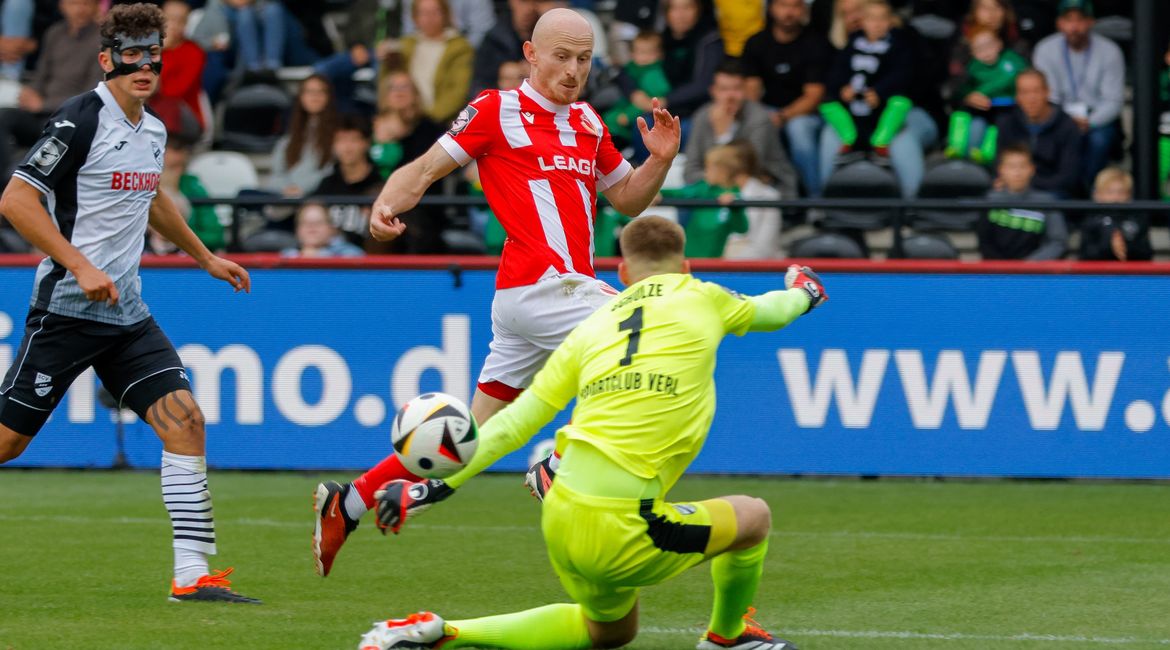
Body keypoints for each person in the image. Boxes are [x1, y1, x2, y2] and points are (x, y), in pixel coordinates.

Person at [312, 8, 682, 578]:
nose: (572, 69)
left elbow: (629, 200)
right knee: (649, 330)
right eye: (561, 56)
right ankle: (558, 460)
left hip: (543, 298)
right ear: (531, 54)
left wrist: (659, 160)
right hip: (542, 285)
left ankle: (349, 502)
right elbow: (427, 167)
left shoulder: (587, 121)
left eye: (583, 59)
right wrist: (384, 204)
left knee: (469, 435)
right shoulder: (497, 109)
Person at [356, 215, 827, 650]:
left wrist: (433, 487)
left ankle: (442, 632)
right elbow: (775, 310)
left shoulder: (593, 327)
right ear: (685, 266)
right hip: (623, 520)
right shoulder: (702, 295)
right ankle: (727, 637)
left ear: (621, 272)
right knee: (754, 518)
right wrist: (804, 291)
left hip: (561, 514)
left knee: (611, 631)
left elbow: (513, 424)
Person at [0, 2, 258, 604]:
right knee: (8, 443)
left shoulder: (154, 128)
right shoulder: (78, 119)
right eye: (132, 54)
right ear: (107, 60)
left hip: (127, 316)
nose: (144, 66)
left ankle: (192, 577)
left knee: (185, 421)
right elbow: (15, 201)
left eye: (153, 55)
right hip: (66, 310)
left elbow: (155, 197)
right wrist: (80, 264)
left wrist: (205, 257)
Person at [0, 0, 103, 182]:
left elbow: (92, 92)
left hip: (69, 118)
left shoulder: (101, 40)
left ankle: (16, 180)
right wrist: (31, 93)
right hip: (39, 113)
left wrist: (43, 104)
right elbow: (41, 74)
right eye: (74, 4)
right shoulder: (54, 33)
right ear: (62, 6)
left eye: (86, 4)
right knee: (4, 116)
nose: (80, 9)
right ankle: (6, 179)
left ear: (96, 6)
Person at [742, 0, 832, 196]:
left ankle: (815, 199)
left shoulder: (816, 43)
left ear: (804, 10)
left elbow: (814, 96)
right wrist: (765, 116)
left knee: (798, 129)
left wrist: (783, 116)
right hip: (768, 111)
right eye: (783, 5)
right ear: (772, 8)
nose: (789, 12)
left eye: (795, 6)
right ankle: (761, 199)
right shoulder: (756, 42)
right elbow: (751, 91)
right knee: (754, 124)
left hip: (809, 114)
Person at [1032, 0, 1125, 189]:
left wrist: (1089, 122)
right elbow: (1049, 96)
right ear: (1059, 23)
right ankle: (1058, 190)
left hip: (1095, 118)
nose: (1074, 27)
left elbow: (1113, 100)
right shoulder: (1045, 49)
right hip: (1058, 115)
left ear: (1091, 22)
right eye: (1068, 20)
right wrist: (1067, 121)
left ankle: (1087, 190)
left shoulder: (1110, 51)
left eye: (1080, 20)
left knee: (1099, 140)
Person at [819, 0, 913, 172]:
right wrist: (843, 89)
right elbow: (837, 72)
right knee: (827, 105)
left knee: (901, 104)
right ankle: (849, 140)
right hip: (852, 108)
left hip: (880, 108)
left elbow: (901, 74)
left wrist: (879, 92)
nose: (877, 24)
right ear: (862, 21)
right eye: (871, 19)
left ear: (890, 21)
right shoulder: (852, 43)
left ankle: (880, 144)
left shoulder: (898, 44)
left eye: (882, 19)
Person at [684, 60, 795, 198]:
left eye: (736, 89)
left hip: (766, 192)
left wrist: (722, 133)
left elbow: (746, 170)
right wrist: (713, 179)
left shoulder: (759, 118)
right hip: (715, 193)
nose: (730, 96)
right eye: (724, 89)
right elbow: (690, 171)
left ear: (745, 90)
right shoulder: (702, 117)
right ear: (713, 91)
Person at [945, 27, 1028, 164]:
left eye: (989, 45)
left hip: (1007, 109)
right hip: (981, 109)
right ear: (972, 52)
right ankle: (956, 146)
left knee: (997, 129)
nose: (986, 52)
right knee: (962, 117)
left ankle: (986, 154)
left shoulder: (1012, 60)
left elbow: (1022, 77)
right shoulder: (973, 68)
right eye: (979, 49)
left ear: (999, 44)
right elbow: (963, 89)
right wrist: (969, 96)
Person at [995, 68, 1081, 198]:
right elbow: (998, 163)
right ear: (1017, 97)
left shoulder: (1067, 126)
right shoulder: (1006, 123)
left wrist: (1027, 182)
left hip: (1052, 192)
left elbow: (1068, 177)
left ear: (1047, 92)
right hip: (1013, 188)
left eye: (1036, 91)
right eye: (1024, 92)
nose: (1031, 98)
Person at [979, 142, 1067, 260]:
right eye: (1011, 166)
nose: (1017, 172)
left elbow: (1057, 241)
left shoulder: (1047, 201)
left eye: (1022, 166)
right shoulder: (989, 200)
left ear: (1032, 169)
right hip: (995, 273)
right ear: (1001, 170)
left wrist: (1028, 266)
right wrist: (1001, 268)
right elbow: (985, 241)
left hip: (1034, 274)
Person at [395, 0, 474, 125]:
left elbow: (458, 92)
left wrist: (429, 119)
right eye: (424, 13)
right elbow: (391, 82)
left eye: (435, 12)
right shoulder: (405, 45)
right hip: (404, 118)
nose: (429, 18)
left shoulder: (460, 48)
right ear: (414, 17)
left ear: (445, 14)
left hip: (439, 120)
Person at [665, 143, 749, 258]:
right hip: (688, 257)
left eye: (709, 168)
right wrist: (657, 193)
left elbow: (741, 228)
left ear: (723, 171)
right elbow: (680, 192)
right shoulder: (702, 188)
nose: (705, 172)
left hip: (713, 262)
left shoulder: (734, 196)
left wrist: (734, 207)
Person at [311, 114, 384, 246]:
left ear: (366, 143)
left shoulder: (380, 186)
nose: (347, 147)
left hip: (368, 261)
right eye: (341, 140)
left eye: (354, 140)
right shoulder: (326, 185)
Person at [267, 74, 338, 198]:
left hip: (318, 198)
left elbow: (330, 172)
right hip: (286, 199)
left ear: (329, 97)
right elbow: (276, 175)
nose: (314, 96)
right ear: (300, 97)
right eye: (309, 92)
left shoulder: (338, 134)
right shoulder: (288, 139)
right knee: (245, 195)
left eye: (320, 91)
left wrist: (301, 189)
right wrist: (287, 189)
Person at [149, 0, 206, 140]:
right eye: (170, 19)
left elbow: (174, 92)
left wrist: (159, 52)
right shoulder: (144, 48)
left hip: (182, 114)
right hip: (149, 110)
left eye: (181, 21)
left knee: (168, 105)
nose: (174, 25)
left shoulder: (194, 52)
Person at [603, 31, 671, 145]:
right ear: (633, 54)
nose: (644, 57)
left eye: (649, 53)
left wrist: (627, 116)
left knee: (612, 121)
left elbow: (648, 103)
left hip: (636, 117)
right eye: (640, 52)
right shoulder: (631, 69)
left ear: (659, 54)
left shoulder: (653, 75)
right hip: (625, 108)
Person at [1079, 167, 1151, 261]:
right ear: (1097, 194)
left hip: (1131, 273)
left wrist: (1125, 245)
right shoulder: (1091, 221)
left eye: (1121, 192)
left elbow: (1146, 253)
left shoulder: (1137, 219)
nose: (1115, 197)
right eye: (1110, 192)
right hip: (1099, 273)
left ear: (1129, 195)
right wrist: (1110, 244)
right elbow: (1085, 255)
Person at [723, 143, 782, 259]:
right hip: (717, 268)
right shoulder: (715, 194)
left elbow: (765, 247)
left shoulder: (769, 196)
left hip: (756, 270)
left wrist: (727, 265)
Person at [281, 201, 365, 258]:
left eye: (318, 222)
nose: (311, 227)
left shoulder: (350, 253)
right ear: (297, 229)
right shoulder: (287, 255)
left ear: (331, 228)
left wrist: (317, 256)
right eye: (305, 222)